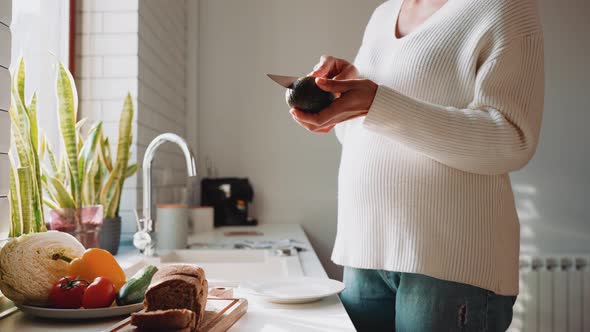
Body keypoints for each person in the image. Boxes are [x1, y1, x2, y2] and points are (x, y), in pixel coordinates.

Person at [290, 0, 544, 331]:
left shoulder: (502, 7)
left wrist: (378, 103)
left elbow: (513, 141)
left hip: (448, 264)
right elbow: (370, 133)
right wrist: (339, 100)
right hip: (365, 253)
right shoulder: (384, 14)